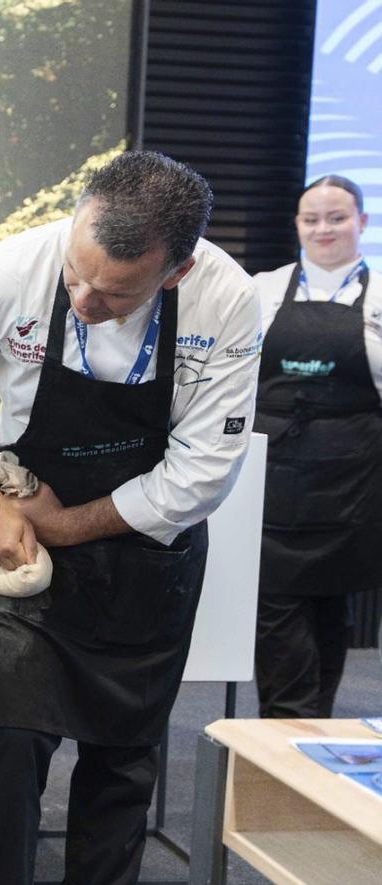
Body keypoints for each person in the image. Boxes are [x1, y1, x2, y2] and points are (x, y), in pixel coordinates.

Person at [0, 151, 260, 884]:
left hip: (146, 556)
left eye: (116, 294)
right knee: (6, 735)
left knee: (123, 758)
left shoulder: (227, 299)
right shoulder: (11, 269)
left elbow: (198, 476)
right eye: (77, 274)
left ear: (174, 273)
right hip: (17, 536)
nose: (85, 299)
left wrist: (64, 525)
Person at [251, 175, 378, 719]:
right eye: (312, 219)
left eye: (337, 217)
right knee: (275, 610)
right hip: (274, 479)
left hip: (354, 482)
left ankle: (312, 732)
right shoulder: (262, 290)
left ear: (362, 222)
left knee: (333, 611)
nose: (323, 229)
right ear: (298, 225)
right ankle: (286, 735)